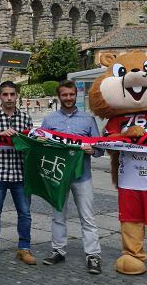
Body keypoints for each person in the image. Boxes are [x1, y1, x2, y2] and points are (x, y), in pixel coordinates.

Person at [40, 80, 103, 275]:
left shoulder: (88, 120)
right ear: (59, 97)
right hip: (58, 176)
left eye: (71, 95)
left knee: (87, 216)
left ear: (76, 95)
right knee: (58, 215)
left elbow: (100, 148)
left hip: (81, 175)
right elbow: (41, 145)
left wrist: (92, 149)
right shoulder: (49, 121)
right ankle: (58, 250)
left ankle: (93, 255)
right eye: (64, 95)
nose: (68, 98)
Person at [0, 81, 36, 266]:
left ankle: (24, 248)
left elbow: (31, 144)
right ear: (0, 96)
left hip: (21, 174)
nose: (9, 98)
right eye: (5, 94)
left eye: (12, 94)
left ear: (17, 96)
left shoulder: (25, 118)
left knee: (25, 213)